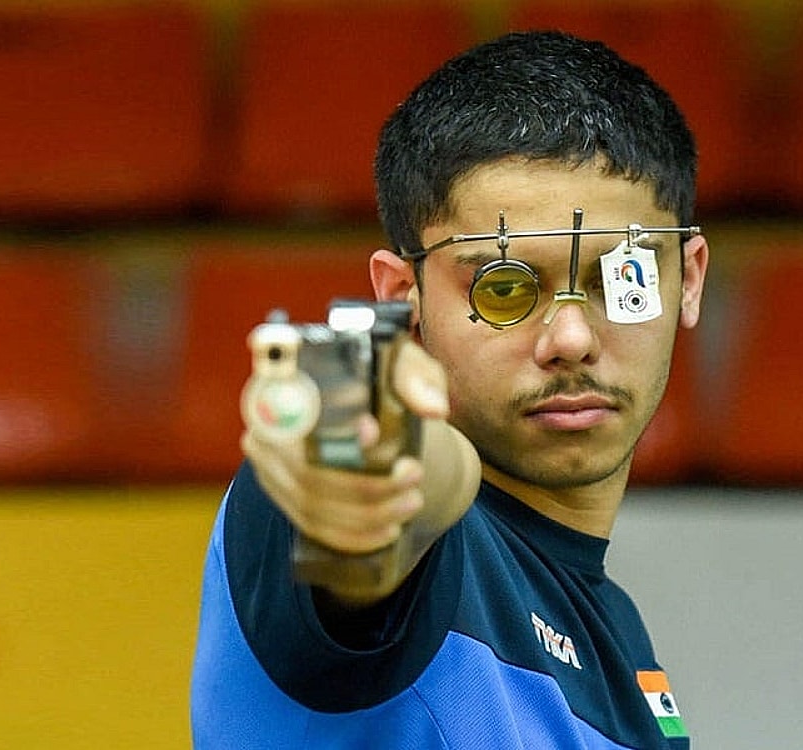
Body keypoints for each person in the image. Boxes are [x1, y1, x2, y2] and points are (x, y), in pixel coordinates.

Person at [191, 29, 708, 749]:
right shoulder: (371, 507)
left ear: (690, 279)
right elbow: (413, 490)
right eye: (502, 287)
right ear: (405, 298)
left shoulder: (616, 629)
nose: (571, 340)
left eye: (625, 276)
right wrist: (363, 470)